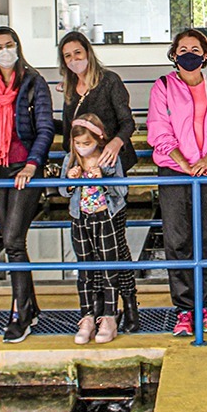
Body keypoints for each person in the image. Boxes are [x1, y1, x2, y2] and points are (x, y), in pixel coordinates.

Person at [146, 28, 207, 337]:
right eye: (182, 48)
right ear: (174, 54)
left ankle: (206, 307)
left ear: (204, 54)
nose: (189, 53)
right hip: (176, 173)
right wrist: (183, 162)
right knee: (178, 240)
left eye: (195, 48)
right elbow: (158, 130)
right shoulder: (162, 87)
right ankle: (184, 310)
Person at [0, 26, 55, 344]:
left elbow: (45, 128)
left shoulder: (34, 83)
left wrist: (33, 164)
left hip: (25, 172)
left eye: (10, 44)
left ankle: (20, 315)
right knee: (11, 243)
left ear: (17, 47)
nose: (5, 50)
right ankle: (30, 307)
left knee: (15, 242)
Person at [59, 31, 140, 332]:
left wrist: (115, 144)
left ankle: (129, 305)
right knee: (89, 251)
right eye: (68, 56)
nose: (74, 60)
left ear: (88, 53)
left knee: (117, 246)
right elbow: (70, 131)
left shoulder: (109, 81)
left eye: (78, 53)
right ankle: (98, 310)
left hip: (110, 170)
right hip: (83, 175)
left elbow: (128, 121)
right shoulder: (70, 90)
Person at [60, 113, 133, 344]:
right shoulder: (70, 160)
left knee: (109, 268)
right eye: (78, 144)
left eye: (87, 144)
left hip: (105, 218)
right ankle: (87, 317)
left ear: (99, 140)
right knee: (85, 269)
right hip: (80, 220)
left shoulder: (110, 159)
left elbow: (122, 191)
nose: (82, 149)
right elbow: (63, 191)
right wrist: (70, 182)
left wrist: (103, 179)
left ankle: (109, 317)